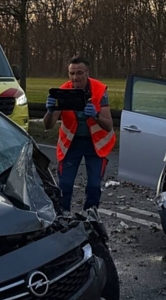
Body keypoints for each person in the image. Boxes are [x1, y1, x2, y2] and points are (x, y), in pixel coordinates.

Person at [42, 56, 115, 213]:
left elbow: (109, 125)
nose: (75, 77)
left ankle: (90, 216)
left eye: (79, 73)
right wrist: (50, 111)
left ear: (87, 73)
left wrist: (96, 115)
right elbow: (48, 125)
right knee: (65, 185)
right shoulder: (63, 91)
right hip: (71, 144)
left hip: (95, 145)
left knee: (94, 185)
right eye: (72, 73)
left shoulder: (99, 90)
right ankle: (63, 216)